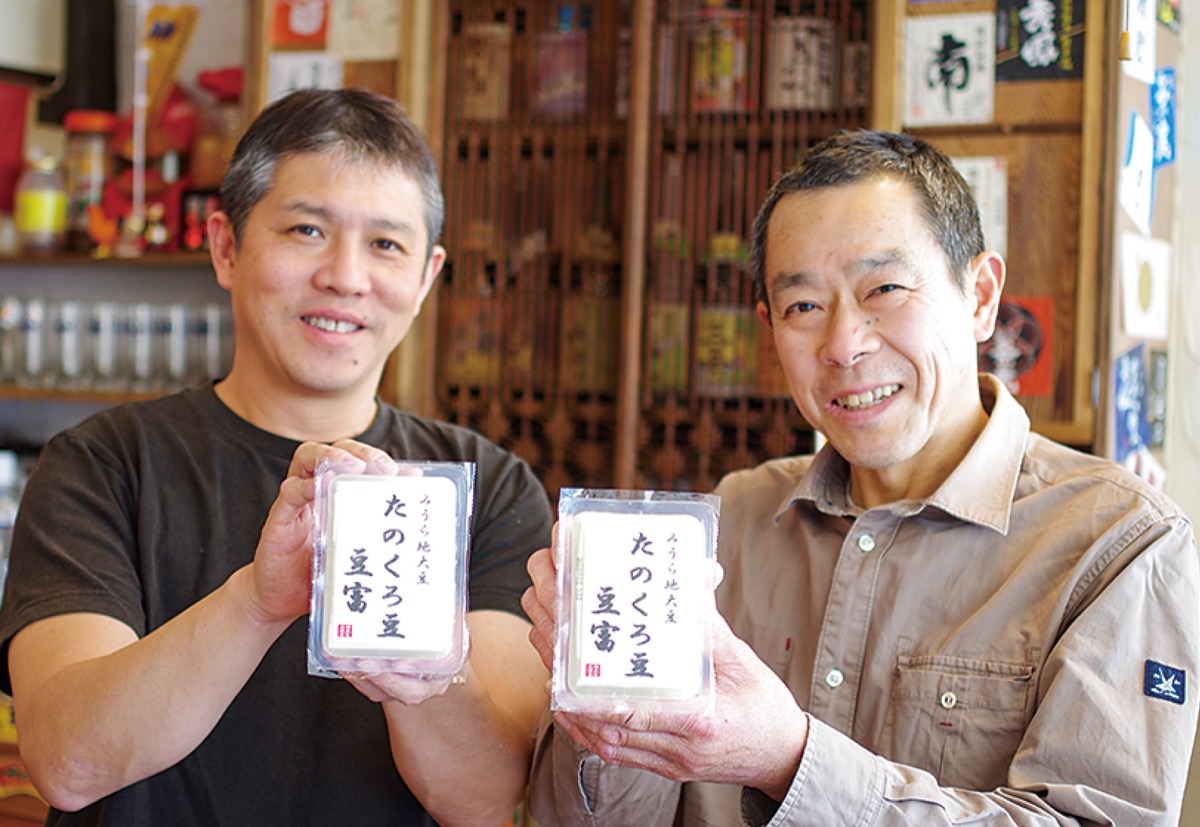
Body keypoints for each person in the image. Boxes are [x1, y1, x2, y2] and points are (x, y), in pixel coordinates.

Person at [522, 130, 1199, 825]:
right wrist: (603, 704)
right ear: (770, 327)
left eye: (885, 289)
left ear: (980, 297)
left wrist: (789, 760)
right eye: (803, 307)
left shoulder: (1123, 546)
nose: (844, 345)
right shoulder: (731, 519)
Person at [0, 87, 553, 826]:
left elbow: (485, 797)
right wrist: (258, 601)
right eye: (306, 230)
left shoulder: (492, 491)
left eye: (386, 244)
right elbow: (69, 764)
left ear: (426, 278)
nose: (346, 276)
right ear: (225, 247)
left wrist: (421, 664)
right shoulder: (100, 465)